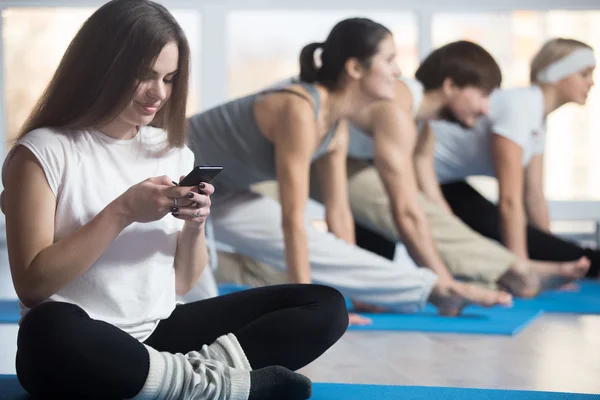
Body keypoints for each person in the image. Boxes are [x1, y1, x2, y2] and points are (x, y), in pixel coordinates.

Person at [1, 1, 348, 399]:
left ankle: (186, 382)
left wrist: (195, 224)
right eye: (144, 77)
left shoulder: (171, 151)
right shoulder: (42, 152)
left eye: (169, 78)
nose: (159, 94)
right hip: (79, 342)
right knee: (49, 328)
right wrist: (123, 210)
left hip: (157, 336)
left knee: (325, 305)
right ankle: (208, 381)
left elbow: (182, 281)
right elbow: (32, 286)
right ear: (101, 67)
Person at [187, 18, 513, 324]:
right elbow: (292, 218)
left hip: (222, 194)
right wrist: (308, 311)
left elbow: (339, 215)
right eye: (389, 60)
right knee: (198, 310)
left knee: (319, 246)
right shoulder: (301, 109)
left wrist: (353, 294)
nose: (398, 71)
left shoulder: (336, 125)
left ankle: (439, 291)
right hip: (177, 184)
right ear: (355, 68)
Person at [335, 40, 589, 297]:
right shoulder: (401, 108)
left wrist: (453, 268)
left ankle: (511, 271)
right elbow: (406, 212)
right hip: (335, 161)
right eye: (482, 95)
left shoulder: (425, 134)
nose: (486, 108)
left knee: (430, 220)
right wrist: (446, 285)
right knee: (402, 214)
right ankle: (509, 273)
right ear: (450, 85)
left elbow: (439, 210)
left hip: (349, 161)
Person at [430, 38, 599, 279]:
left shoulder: (538, 117)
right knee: (493, 221)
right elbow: (510, 201)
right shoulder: (521, 107)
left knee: (533, 238)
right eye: (584, 74)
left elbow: (534, 195)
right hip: (425, 177)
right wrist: (525, 272)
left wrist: (551, 263)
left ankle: (577, 263)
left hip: (447, 182)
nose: (591, 82)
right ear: (558, 74)